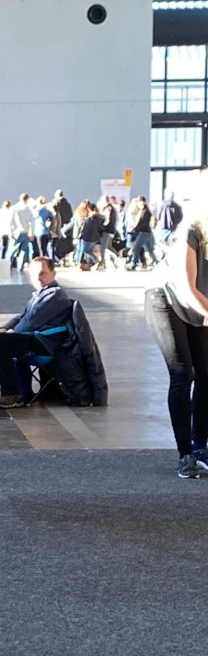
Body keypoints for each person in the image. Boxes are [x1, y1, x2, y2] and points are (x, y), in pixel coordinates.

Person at [144, 170, 208, 479]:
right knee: (183, 374)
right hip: (166, 299)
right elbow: (188, 287)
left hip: (199, 306)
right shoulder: (190, 231)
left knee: (207, 374)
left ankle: (201, 446)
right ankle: (186, 454)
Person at [0, 255, 71, 409]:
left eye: (42, 273)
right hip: (33, 337)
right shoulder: (41, 294)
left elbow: (30, 322)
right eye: (34, 274)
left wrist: (11, 333)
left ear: (53, 273)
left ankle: (11, 393)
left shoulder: (55, 295)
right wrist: (4, 328)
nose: (38, 278)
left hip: (45, 342)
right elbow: (22, 317)